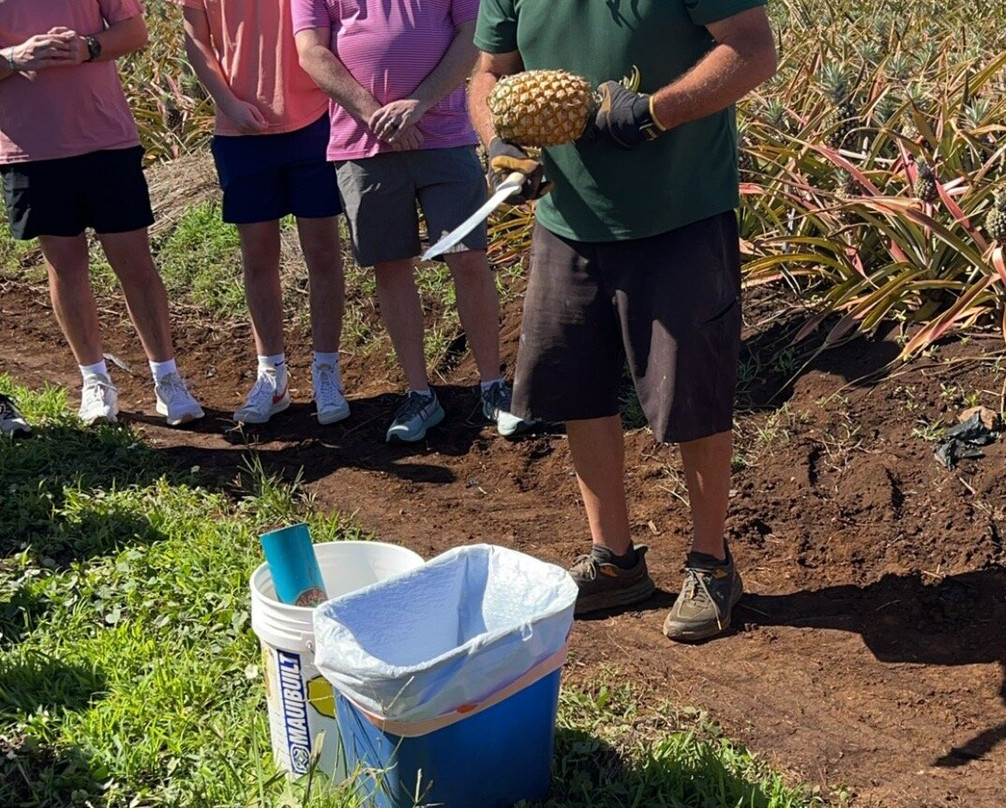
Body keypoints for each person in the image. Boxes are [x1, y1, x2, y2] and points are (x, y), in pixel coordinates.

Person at [468, 1, 777, 641]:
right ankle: (614, 561)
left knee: (693, 391)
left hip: (680, 211)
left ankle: (712, 563)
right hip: (567, 221)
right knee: (576, 386)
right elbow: (489, 74)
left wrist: (657, 111)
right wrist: (497, 139)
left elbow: (751, 48)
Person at [291, 0, 535, 443]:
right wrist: (373, 113)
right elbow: (311, 53)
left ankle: (493, 387)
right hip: (362, 148)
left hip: (445, 138)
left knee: (470, 259)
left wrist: (418, 104)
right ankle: (420, 394)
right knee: (391, 266)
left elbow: (471, 39)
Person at [0, 0, 204, 427]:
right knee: (65, 267)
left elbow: (134, 31)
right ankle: (95, 380)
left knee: (135, 263)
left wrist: (88, 47)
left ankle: (167, 378)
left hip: (106, 140)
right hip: (31, 151)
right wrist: (15, 58)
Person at [175, 0, 350, 426]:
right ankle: (271, 376)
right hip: (241, 129)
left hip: (316, 120)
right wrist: (228, 103)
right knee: (258, 257)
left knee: (323, 252)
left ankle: (326, 371)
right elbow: (195, 39)